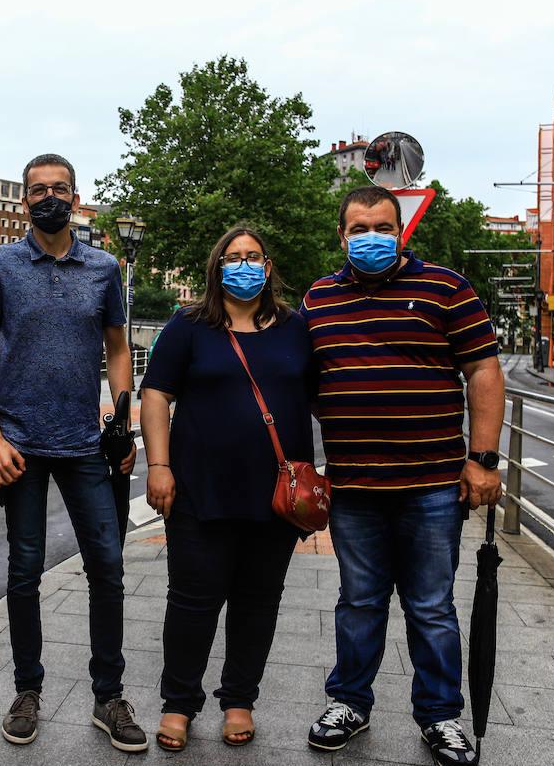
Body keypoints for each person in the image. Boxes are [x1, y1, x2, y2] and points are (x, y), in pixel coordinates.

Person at [302, 186, 504, 766]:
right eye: (360, 228)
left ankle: (441, 717)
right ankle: (349, 704)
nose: (372, 237)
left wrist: (483, 459)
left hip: (433, 485)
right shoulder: (318, 298)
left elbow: (484, 371)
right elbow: (307, 380)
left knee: (431, 607)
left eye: (384, 227)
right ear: (342, 236)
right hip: (355, 487)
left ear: (400, 232)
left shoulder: (446, 287)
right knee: (358, 602)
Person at [0, 153, 146, 753]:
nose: (50, 197)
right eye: (38, 189)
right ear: (25, 201)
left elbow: (118, 349)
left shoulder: (103, 268)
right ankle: (27, 691)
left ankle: (108, 696)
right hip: (18, 444)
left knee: (109, 569)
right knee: (23, 573)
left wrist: (120, 418)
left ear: (75, 196)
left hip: (83, 444)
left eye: (60, 188)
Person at [140, 226, 312, 752]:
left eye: (253, 256)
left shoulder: (295, 328)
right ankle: (178, 703)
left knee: (258, 603)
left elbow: (325, 397)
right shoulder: (189, 326)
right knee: (192, 602)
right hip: (199, 491)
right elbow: (155, 395)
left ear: (268, 265)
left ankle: (240, 699)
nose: (244, 265)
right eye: (233, 257)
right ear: (218, 267)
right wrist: (159, 465)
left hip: (275, 497)